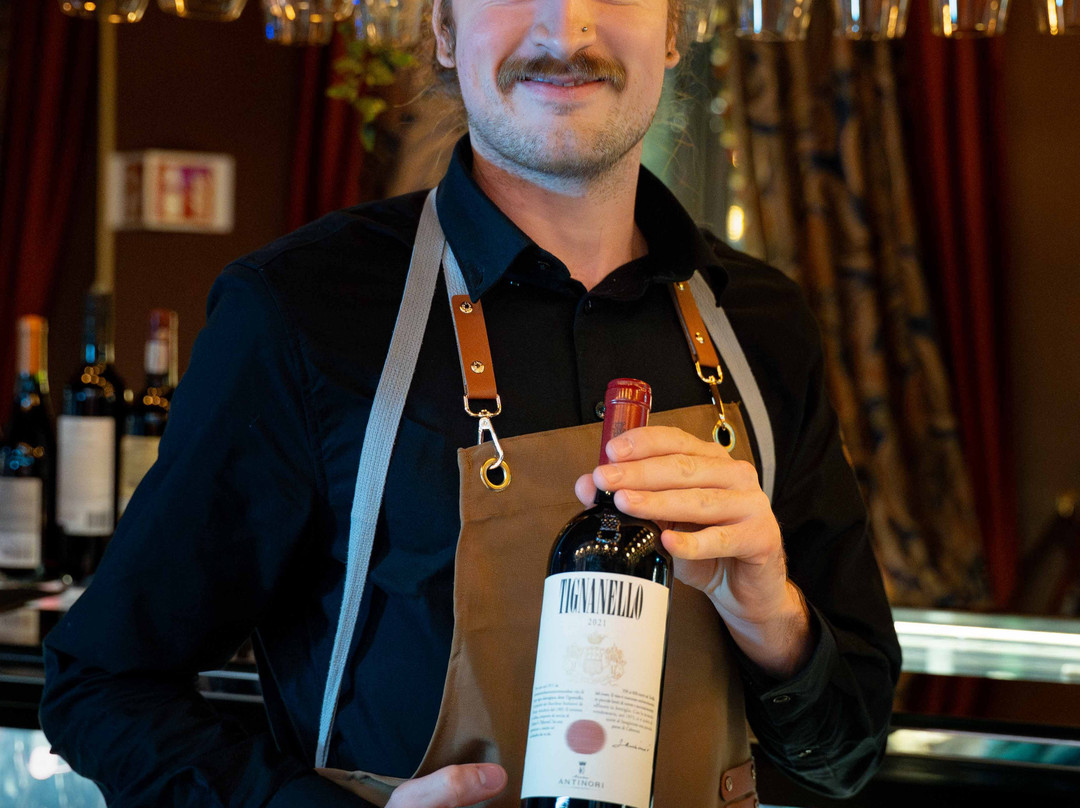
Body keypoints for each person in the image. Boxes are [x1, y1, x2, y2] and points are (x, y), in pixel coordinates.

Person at [39, 0, 901, 804]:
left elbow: (845, 756)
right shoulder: (300, 313)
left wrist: (772, 616)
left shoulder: (762, 323)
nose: (566, 30)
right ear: (444, 31)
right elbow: (103, 686)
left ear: (673, 30)